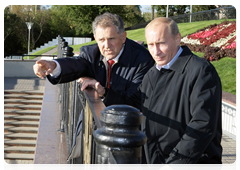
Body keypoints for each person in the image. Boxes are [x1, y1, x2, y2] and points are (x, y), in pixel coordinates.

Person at [127, 17, 222, 170]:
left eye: (161, 43)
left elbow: (203, 124)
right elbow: (135, 102)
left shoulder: (201, 71)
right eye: (151, 45)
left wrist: (174, 165)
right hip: (157, 162)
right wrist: (104, 93)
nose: (155, 51)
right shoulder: (153, 72)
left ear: (178, 39)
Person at [33, 12, 154, 106]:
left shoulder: (143, 60)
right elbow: (75, 65)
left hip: (126, 131)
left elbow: (135, 101)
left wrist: (103, 92)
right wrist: (53, 65)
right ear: (95, 38)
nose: (106, 45)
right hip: (91, 125)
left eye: (111, 38)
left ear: (123, 37)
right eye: (101, 40)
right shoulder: (90, 53)